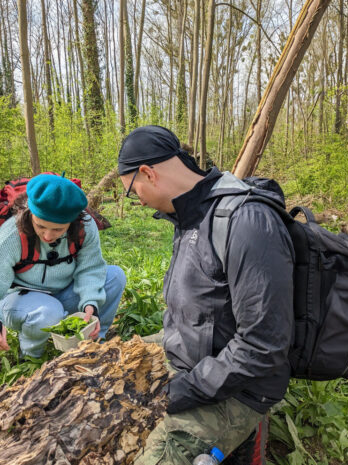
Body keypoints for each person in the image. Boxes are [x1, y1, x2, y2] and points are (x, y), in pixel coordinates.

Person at [118, 126, 294, 464]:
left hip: (242, 389)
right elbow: (197, 312)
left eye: (131, 190)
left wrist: (173, 394)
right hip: (196, 366)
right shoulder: (188, 216)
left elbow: (263, 346)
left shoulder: (246, 221)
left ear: (147, 173)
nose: (136, 200)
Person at [0, 173, 126, 358]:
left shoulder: (85, 228)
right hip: (20, 300)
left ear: (72, 222)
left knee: (115, 276)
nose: (48, 236)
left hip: (61, 293)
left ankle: (95, 344)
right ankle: (32, 357)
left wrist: (91, 303)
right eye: (40, 226)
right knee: (49, 311)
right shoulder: (13, 233)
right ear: (31, 214)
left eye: (58, 229)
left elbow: (91, 268)